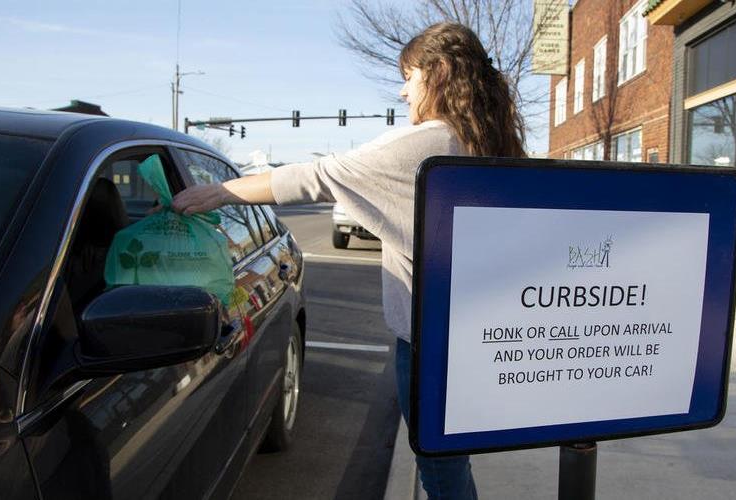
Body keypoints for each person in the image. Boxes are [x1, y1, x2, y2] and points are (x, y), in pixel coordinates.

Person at [171, 22, 525, 500]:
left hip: (426, 343)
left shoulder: (426, 143)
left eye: (410, 75)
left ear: (439, 73)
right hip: (471, 334)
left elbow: (315, 175)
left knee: (440, 471)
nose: (403, 90)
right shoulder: (485, 140)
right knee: (450, 461)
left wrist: (219, 192)